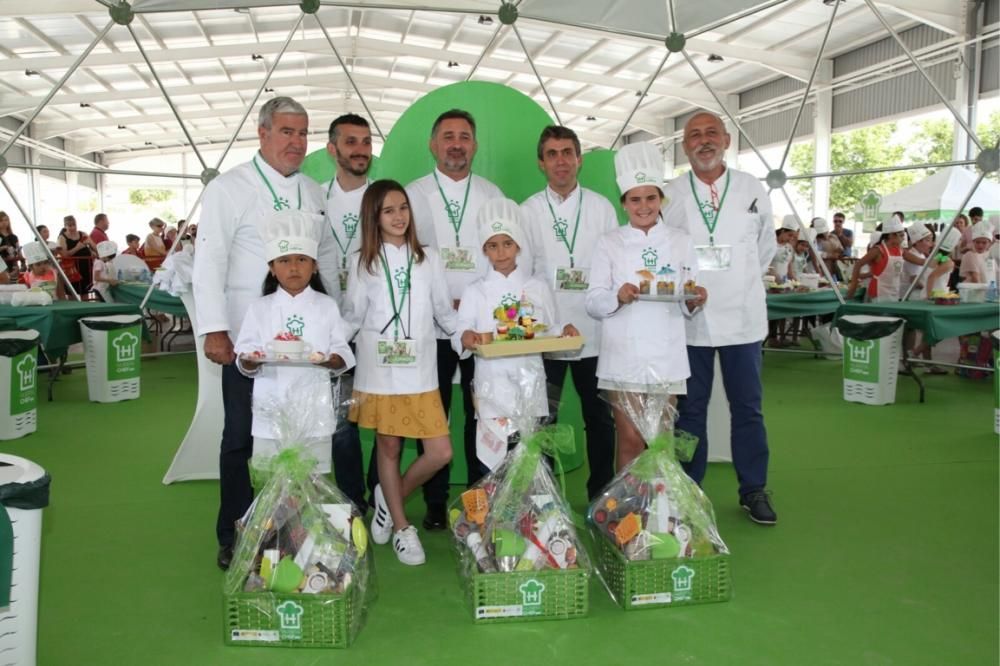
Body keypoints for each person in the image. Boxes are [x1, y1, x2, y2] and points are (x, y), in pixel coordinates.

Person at [192, 96, 338, 571]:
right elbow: (209, 259)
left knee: (303, 436)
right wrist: (215, 329)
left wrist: (338, 323)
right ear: (263, 133)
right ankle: (233, 531)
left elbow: (329, 258)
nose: (296, 143)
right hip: (246, 338)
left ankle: (296, 527)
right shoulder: (229, 188)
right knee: (240, 436)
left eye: (302, 133)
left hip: (306, 344)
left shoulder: (315, 191)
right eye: (286, 132)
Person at [661, 111, 778, 526]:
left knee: (748, 408)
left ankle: (754, 489)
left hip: (744, 319)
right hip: (691, 320)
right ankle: (688, 491)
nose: (704, 141)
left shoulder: (751, 187)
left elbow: (766, 246)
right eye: (695, 135)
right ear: (684, 146)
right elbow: (663, 252)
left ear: (726, 139)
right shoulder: (670, 192)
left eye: (711, 133)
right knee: (690, 413)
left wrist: (739, 279)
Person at [341, 180, 457, 566]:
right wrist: (325, 347)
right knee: (388, 448)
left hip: (421, 370)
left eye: (403, 208)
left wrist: (470, 332)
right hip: (380, 371)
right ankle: (404, 528)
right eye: (388, 210)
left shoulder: (430, 259)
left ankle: (389, 499)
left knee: (440, 452)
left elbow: (444, 311)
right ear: (373, 217)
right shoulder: (361, 261)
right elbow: (353, 316)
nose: (398, 216)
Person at [404, 108, 504, 529]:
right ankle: (433, 502)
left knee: (482, 413)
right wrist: (444, 303)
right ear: (433, 144)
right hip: (431, 323)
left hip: (480, 325)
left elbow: (505, 255)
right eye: (448, 136)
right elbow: (405, 259)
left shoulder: (492, 194)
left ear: (475, 146)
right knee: (435, 415)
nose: (456, 144)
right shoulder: (412, 194)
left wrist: (478, 304)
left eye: (465, 136)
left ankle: (481, 498)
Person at [587, 142, 707, 470]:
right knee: (630, 440)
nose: (644, 206)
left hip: (666, 354)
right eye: (635, 199)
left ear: (661, 200)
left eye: (651, 198)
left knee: (659, 439)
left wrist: (695, 300)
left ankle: (658, 509)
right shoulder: (608, 242)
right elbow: (593, 300)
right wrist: (617, 296)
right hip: (622, 355)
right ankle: (625, 514)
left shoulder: (681, 241)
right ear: (623, 203)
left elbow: (687, 298)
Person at [520, 125, 617, 499]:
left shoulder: (601, 207)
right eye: (552, 154)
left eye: (567, 153)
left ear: (579, 159)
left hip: (595, 330)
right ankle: (544, 498)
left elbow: (613, 269)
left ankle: (601, 494)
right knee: (544, 419)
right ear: (541, 163)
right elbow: (523, 277)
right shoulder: (527, 210)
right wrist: (538, 328)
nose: (560, 161)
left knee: (599, 418)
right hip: (547, 335)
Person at [454, 198, 577, 473]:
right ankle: (496, 516)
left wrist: (565, 330)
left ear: (518, 245)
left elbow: (549, 329)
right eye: (493, 246)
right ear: (485, 250)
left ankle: (534, 516)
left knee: (532, 465)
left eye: (507, 244)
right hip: (491, 389)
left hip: (530, 386)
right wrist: (466, 337)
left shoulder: (537, 287)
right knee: (493, 465)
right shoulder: (476, 290)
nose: (501, 252)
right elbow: (461, 331)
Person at [234, 211, 355, 474]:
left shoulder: (326, 306)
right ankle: (274, 518)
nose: (293, 267)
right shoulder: (259, 308)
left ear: (315, 266)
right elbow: (244, 352)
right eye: (284, 260)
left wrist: (332, 360)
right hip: (270, 405)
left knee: (312, 478)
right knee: (272, 479)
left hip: (314, 407)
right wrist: (250, 361)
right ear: (271, 268)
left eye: (302, 260)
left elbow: (341, 351)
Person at [322, 113, 373, 512]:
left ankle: (379, 496)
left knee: (385, 420)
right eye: (351, 142)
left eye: (365, 142)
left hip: (373, 329)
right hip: (323, 328)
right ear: (332, 149)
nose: (360, 150)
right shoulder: (314, 197)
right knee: (341, 424)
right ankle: (351, 501)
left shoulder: (384, 201)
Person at [847, 214, 905, 302]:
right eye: (901, 235)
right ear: (891, 235)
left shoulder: (900, 250)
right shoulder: (878, 250)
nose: (903, 238)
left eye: (903, 235)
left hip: (894, 292)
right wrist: (853, 285)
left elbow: (921, 261)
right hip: (878, 293)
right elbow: (858, 264)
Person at [58, 215, 93, 294]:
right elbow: (64, 255)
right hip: (72, 269)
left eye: (74, 225)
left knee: (86, 290)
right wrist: (78, 247)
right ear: (65, 226)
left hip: (86, 267)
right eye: (70, 225)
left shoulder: (83, 234)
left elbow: (94, 247)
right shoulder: (62, 238)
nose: (73, 227)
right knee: (73, 291)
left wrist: (91, 250)